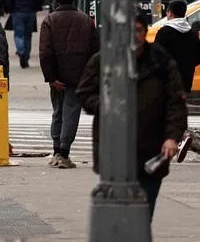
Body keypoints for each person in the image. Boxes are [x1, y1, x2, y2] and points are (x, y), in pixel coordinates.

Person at [76, 13, 187, 220]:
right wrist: (106, 106)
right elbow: (84, 93)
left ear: (145, 32)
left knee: (144, 214)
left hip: (151, 150)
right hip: (114, 149)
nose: (133, 36)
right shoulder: (104, 61)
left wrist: (172, 137)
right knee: (117, 215)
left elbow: (176, 104)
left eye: (138, 30)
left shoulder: (161, 62)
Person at [38, 0, 99, 169]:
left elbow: (45, 52)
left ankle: (56, 151)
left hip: (57, 77)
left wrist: (50, 77)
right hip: (78, 77)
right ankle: (64, 153)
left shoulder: (49, 20)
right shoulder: (86, 21)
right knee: (71, 113)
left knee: (57, 112)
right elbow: (95, 50)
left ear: (57, 0)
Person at [154, 0, 200, 159]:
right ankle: (183, 139)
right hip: (185, 80)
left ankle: (183, 137)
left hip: (166, 80)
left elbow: (157, 58)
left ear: (169, 13)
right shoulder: (192, 34)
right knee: (176, 111)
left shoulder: (164, 32)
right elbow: (198, 57)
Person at [6, 0, 43, 68]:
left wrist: (9, 8)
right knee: (28, 35)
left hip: (18, 11)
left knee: (19, 33)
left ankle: (21, 51)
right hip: (31, 12)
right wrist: (37, 7)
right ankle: (26, 56)